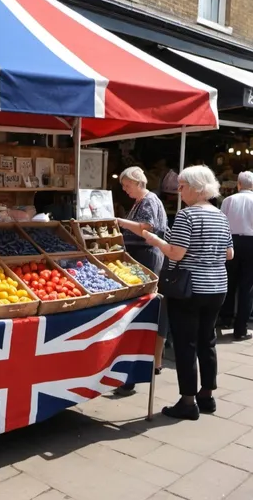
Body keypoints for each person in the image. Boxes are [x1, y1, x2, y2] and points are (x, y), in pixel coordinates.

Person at [143, 165, 233, 421]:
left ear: (195, 188)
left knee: (186, 344)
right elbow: (229, 254)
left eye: (182, 186)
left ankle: (187, 401)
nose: (179, 191)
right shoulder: (220, 215)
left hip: (190, 288)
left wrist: (155, 241)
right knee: (207, 341)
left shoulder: (187, 216)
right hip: (217, 287)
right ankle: (207, 395)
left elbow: (176, 253)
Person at [115, 166, 168, 396]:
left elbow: (146, 229)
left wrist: (119, 221)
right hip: (143, 256)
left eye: (127, 185)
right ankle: (151, 362)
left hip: (146, 257)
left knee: (144, 308)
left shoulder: (148, 201)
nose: (125, 190)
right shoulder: (142, 200)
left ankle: (141, 366)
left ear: (138, 183)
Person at [219, 171, 253, 341]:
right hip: (251, 243)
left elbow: (222, 222)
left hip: (231, 241)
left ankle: (225, 319)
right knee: (247, 287)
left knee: (229, 281)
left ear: (238, 184)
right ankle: (241, 328)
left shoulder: (228, 200)